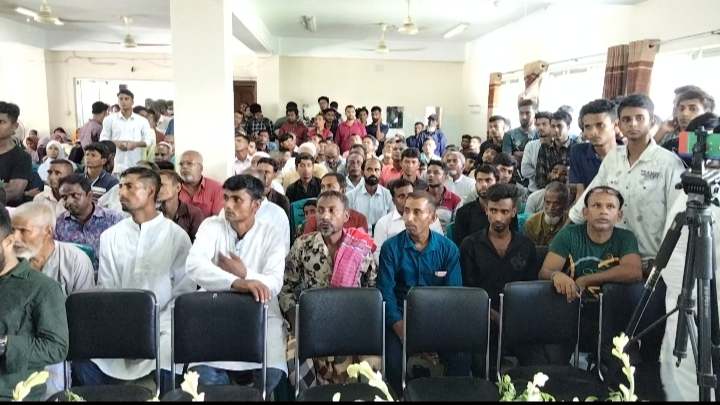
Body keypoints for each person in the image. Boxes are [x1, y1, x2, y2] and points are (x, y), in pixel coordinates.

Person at [569, 94, 685, 362]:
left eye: (639, 118)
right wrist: (566, 231)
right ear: (619, 124)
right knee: (612, 335)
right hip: (613, 259)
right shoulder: (613, 159)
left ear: (651, 121)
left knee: (647, 337)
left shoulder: (668, 163)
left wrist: (663, 263)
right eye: (627, 119)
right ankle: (608, 375)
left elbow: (677, 219)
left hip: (652, 265)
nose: (633, 124)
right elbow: (590, 196)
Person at [72, 167, 195, 394]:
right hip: (119, 323)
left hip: (162, 327)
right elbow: (108, 289)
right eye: (120, 186)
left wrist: (150, 328)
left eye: (129, 187)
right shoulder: (111, 236)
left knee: (170, 356)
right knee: (83, 360)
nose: (121, 193)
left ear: (150, 191)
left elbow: (182, 295)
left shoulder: (177, 237)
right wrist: (126, 328)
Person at [185, 175, 287, 392]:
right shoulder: (211, 226)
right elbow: (194, 265)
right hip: (215, 313)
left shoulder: (271, 234)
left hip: (261, 314)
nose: (228, 205)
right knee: (205, 378)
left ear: (256, 205)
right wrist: (237, 282)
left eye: (237, 199)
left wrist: (245, 273)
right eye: (226, 198)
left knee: (270, 375)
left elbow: (274, 282)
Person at [540, 186, 642, 382]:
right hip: (571, 312)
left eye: (610, 207)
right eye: (597, 205)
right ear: (585, 212)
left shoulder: (625, 238)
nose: (603, 211)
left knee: (627, 373)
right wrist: (556, 275)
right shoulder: (569, 235)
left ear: (619, 215)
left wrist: (586, 279)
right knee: (552, 372)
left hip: (613, 320)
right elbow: (544, 272)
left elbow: (634, 272)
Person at [281, 191, 377, 386]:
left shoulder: (360, 249)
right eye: (320, 210)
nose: (325, 216)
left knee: (372, 364)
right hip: (312, 322)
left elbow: (371, 290)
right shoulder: (302, 245)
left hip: (352, 321)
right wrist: (297, 320)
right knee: (294, 358)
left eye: (332, 211)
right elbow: (286, 287)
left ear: (346, 216)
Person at [377, 191, 468, 395]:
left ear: (432, 217)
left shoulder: (448, 249)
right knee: (392, 362)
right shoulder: (391, 248)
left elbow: (453, 297)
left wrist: (431, 334)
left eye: (417, 212)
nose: (409, 218)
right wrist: (401, 329)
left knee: (461, 357)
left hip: (438, 319)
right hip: (400, 318)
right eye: (406, 211)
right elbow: (386, 293)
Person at [459, 183, 537, 375]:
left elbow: (530, 288)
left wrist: (512, 319)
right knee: (483, 370)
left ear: (514, 212)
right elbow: (468, 291)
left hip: (519, 320)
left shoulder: (526, 246)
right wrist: (494, 316)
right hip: (481, 320)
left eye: (504, 211)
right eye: (493, 210)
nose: (498, 217)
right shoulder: (470, 245)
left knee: (530, 372)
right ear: (486, 210)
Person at [0, 206, 69, 401]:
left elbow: (56, 347)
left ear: (8, 242)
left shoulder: (42, 288)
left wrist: (5, 345)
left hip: (10, 392)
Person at [56, 174, 126, 273]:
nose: (69, 201)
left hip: (108, 278)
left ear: (89, 196)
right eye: (64, 197)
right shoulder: (59, 224)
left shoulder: (113, 219)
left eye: (75, 196)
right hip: (74, 279)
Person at [373, 178, 443, 265]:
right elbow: (378, 255)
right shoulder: (383, 223)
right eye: (401, 196)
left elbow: (441, 246)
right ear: (393, 201)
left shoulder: (429, 218)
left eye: (410, 195)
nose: (407, 199)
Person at [569, 99, 620, 201]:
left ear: (615, 125)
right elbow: (581, 193)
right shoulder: (578, 152)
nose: (593, 132)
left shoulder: (628, 154)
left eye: (600, 125)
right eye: (588, 127)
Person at [99, 89, 155, 174]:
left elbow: (148, 141)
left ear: (132, 102)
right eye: (121, 99)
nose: (123, 101)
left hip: (135, 164)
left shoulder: (142, 121)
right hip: (115, 165)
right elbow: (103, 140)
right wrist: (117, 143)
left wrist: (135, 144)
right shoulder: (109, 119)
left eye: (126, 99)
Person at [454, 164, 504, 246]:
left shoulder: (506, 211)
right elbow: (461, 246)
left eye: (488, 180)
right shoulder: (463, 213)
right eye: (479, 180)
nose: (483, 184)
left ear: (497, 183)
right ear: (475, 184)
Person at [303, 173, 369, 234]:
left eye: (330, 186)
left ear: (343, 191)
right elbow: (307, 242)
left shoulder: (359, 219)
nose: (325, 191)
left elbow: (362, 242)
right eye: (323, 187)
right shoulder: (313, 220)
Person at [345, 157, 393, 232]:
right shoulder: (350, 196)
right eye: (369, 169)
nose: (373, 173)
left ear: (381, 173)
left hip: (382, 235)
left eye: (376, 170)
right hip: (358, 236)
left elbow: (391, 221)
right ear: (362, 172)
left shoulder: (388, 195)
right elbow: (348, 223)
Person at [533, 109, 577, 191]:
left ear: (568, 127)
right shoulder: (545, 148)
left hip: (571, 191)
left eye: (559, 126)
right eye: (553, 126)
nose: (556, 130)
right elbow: (540, 179)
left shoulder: (576, 148)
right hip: (548, 191)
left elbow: (578, 179)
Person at [157, 170, 205, 243]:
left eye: (161, 185)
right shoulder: (153, 214)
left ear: (178, 187)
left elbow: (199, 244)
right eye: (155, 185)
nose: (157, 188)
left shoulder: (194, 213)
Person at [178, 150, 225, 217]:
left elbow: (217, 218)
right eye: (181, 164)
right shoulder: (174, 187)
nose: (184, 167)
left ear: (201, 168)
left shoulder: (216, 188)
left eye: (189, 163)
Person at [523, 181, 570, 246]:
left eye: (556, 203)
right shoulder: (531, 223)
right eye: (548, 202)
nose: (551, 208)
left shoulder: (570, 223)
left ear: (564, 204)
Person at [520, 111, 553, 192]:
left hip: (554, 191)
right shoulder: (530, 145)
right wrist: (546, 175)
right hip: (533, 191)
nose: (540, 127)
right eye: (538, 125)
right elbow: (525, 170)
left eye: (544, 124)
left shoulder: (557, 145)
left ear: (551, 125)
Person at [425, 160, 462, 231]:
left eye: (436, 173)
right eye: (428, 172)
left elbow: (456, 227)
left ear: (445, 176)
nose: (431, 175)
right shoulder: (419, 197)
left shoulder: (455, 200)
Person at [502, 99, 538, 164]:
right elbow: (507, 160)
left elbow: (539, 158)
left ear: (534, 113)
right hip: (514, 170)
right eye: (521, 113)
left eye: (528, 113)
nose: (524, 117)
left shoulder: (540, 134)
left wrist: (517, 154)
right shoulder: (509, 135)